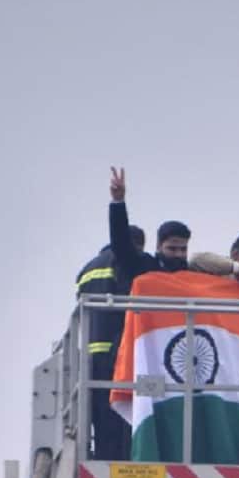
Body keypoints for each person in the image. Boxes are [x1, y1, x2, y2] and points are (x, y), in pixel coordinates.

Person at [75, 224, 144, 459]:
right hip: (117, 352)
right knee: (121, 414)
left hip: (91, 355)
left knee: (101, 417)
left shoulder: (86, 270)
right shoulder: (123, 263)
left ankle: (104, 459)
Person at [108, 166, 190, 280]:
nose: (179, 254)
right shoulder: (144, 266)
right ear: (158, 247)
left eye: (183, 249)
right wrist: (118, 201)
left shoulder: (192, 272)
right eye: (172, 249)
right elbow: (121, 244)